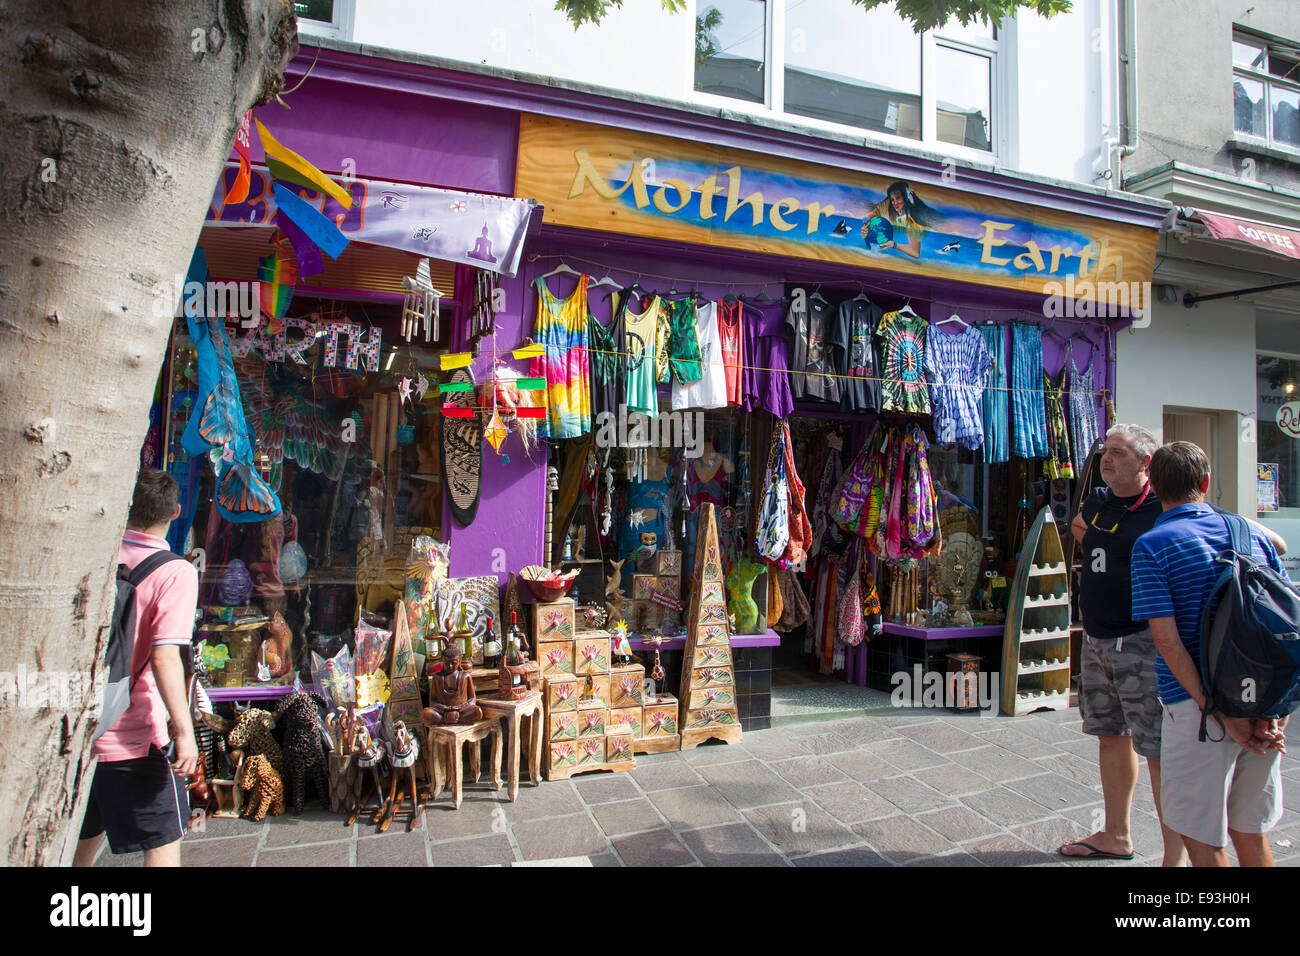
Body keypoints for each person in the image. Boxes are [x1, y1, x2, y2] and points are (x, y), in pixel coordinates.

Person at [1130, 441, 1289, 867]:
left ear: (1154, 488)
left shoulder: (1153, 544)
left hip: (1196, 705)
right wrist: (1269, 710)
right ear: (1206, 482)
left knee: (1202, 838)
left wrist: (1214, 708)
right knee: (1250, 832)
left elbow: (1166, 640)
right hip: (1263, 700)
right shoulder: (1252, 533)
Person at [1058, 425, 1186, 865]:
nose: (1106, 459)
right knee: (1110, 736)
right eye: (1104, 451)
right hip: (1096, 639)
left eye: (1118, 453)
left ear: (1145, 462)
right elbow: (1079, 526)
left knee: (1157, 749)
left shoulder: (1163, 508)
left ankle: (1175, 856)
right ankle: (1117, 835)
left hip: (1143, 644)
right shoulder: (1098, 501)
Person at [74, 469, 200, 867]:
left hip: (81, 730)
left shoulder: (98, 555)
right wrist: (185, 733)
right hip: (135, 737)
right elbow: (164, 657)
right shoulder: (174, 572)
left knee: (81, 840)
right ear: (177, 511)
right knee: (162, 845)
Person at [860, 181, 936, 260]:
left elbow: (915, 253)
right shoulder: (886, 207)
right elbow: (867, 217)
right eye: (892, 200)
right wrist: (864, 227)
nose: (895, 203)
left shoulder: (912, 220)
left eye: (898, 198)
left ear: (905, 198)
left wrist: (894, 245)